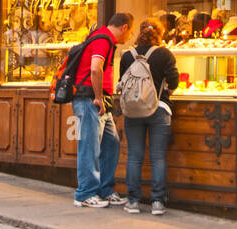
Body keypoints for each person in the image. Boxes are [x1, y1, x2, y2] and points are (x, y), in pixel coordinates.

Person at [72, 11, 134, 208]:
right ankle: (84, 194)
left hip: (99, 100)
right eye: (130, 32)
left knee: (111, 143)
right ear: (124, 27)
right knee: (89, 146)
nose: (129, 37)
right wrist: (98, 97)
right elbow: (95, 69)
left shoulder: (101, 37)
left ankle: (104, 189)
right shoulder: (104, 40)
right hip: (90, 99)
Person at [119, 19, 179, 215]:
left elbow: (122, 82)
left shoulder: (128, 55)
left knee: (135, 156)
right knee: (157, 157)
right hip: (159, 109)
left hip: (134, 110)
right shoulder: (164, 54)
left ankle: (133, 201)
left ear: (140, 33)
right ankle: (157, 203)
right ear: (159, 34)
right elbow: (174, 81)